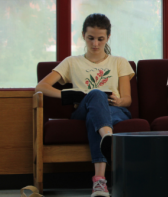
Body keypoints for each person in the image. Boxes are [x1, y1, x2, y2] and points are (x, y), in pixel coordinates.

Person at [35, 13, 134, 197]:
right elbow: (41, 86)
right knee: (95, 94)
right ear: (83, 36)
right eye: (91, 38)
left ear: (108, 37)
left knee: (95, 117)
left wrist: (119, 100)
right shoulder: (72, 62)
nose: (95, 44)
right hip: (83, 108)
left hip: (115, 110)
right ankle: (107, 135)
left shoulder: (119, 62)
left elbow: (127, 99)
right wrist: (68, 96)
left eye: (100, 39)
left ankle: (99, 182)